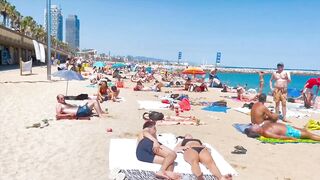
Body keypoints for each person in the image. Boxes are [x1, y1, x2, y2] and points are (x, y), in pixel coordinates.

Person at [246, 121, 320, 141]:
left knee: (305, 131)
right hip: (290, 132)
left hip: (288, 127)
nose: (254, 124)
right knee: (310, 135)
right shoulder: (265, 132)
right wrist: (289, 138)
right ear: (256, 131)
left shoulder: (262, 126)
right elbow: (278, 137)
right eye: (253, 126)